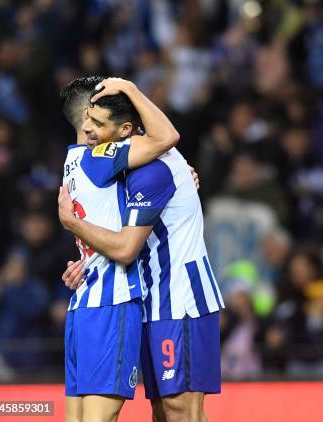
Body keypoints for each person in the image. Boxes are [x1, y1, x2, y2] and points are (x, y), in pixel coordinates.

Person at [59, 78, 224, 422]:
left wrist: (74, 225)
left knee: (181, 411)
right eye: (87, 118)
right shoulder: (118, 163)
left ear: (124, 129)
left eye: (98, 122)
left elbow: (126, 247)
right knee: (162, 412)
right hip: (145, 295)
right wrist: (87, 259)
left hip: (180, 296)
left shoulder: (153, 168)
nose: (88, 129)